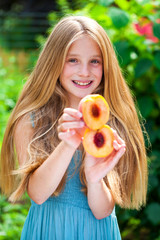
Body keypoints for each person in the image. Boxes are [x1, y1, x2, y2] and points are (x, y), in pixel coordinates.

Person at [0, 16, 148, 240]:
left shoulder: (112, 123)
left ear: (106, 65)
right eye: (73, 60)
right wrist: (68, 144)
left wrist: (94, 179)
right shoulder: (31, 119)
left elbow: (103, 211)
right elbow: (38, 194)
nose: (84, 72)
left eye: (95, 61)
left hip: (98, 232)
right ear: (54, 61)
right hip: (49, 231)